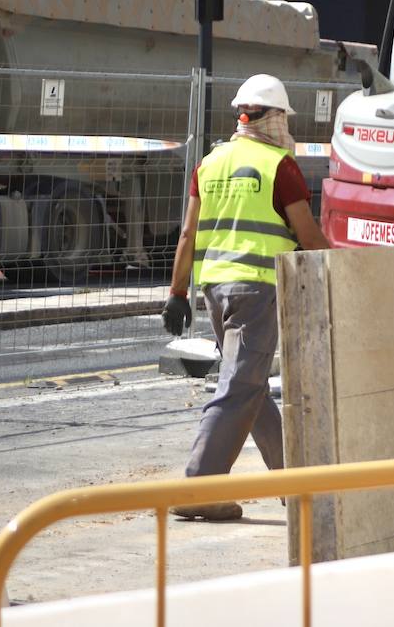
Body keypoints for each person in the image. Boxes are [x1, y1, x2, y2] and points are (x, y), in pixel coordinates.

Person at [160, 74, 329, 521]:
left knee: (250, 387)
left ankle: (292, 483)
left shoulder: (210, 162)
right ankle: (200, 488)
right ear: (274, 118)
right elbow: (308, 234)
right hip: (258, 290)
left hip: (215, 290)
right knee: (239, 387)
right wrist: (340, 269)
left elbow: (188, 233)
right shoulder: (280, 166)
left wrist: (177, 292)